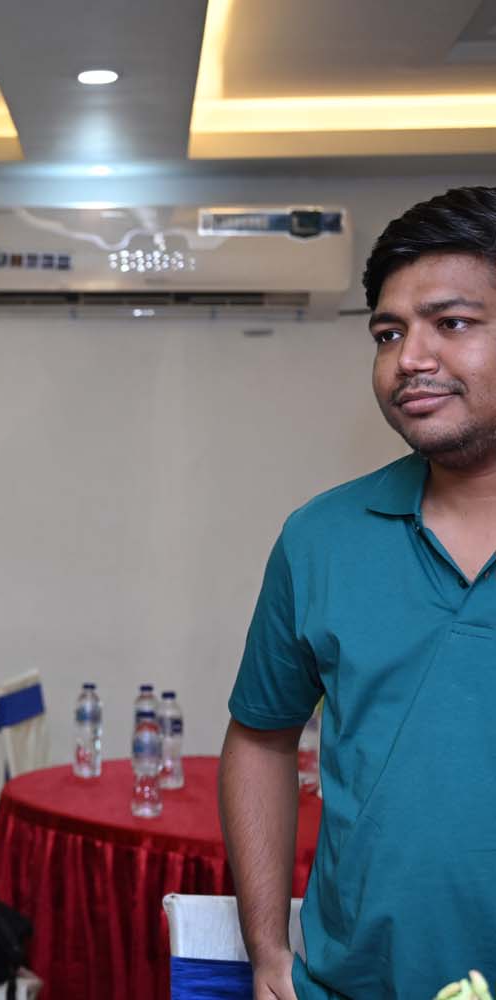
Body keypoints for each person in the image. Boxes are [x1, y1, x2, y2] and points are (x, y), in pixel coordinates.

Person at [221, 185, 496, 1000]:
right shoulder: (322, 537)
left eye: (452, 323)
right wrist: (267, 950)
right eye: (388, 333)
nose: (410, 358)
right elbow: (261, 738)